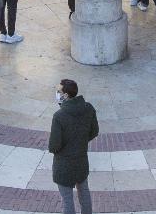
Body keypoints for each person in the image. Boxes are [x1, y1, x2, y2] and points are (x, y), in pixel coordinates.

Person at [48, 79, 99, 214]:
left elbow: (54, 146)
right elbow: (94, 131)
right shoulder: (88, 108)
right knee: (84, 193)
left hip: (64, 165)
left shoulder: (59, 116)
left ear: (65, 95)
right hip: (81, 161)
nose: (56, 94)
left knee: (67, 200)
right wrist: (80, 141)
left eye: (58, 91)